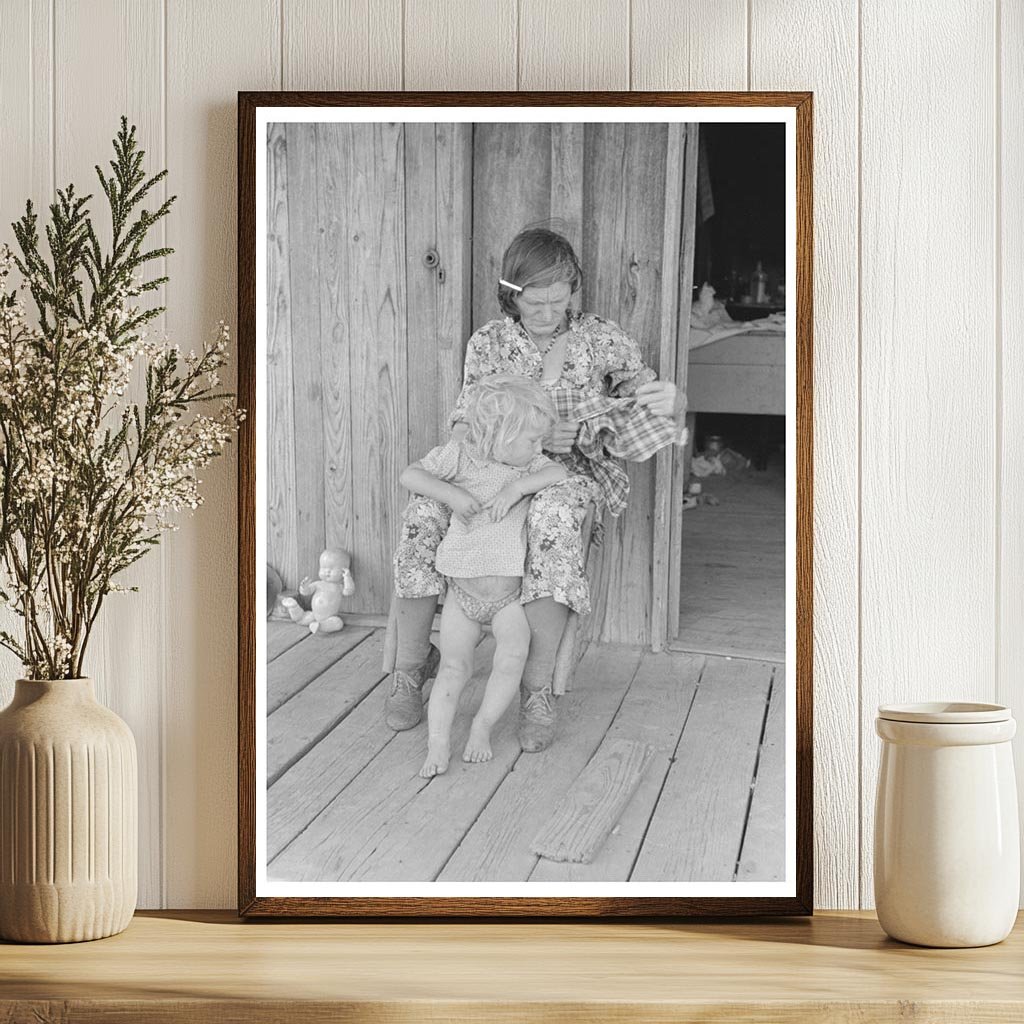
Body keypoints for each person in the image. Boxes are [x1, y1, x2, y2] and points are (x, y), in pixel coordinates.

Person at [387, 226, 683, 751]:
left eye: (558, 299)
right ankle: (412, 667)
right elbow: (464, 424)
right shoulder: (490, 343)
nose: (548, 312)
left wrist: (666, 399)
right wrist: (505, 454)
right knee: (424, 514)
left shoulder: (601, 339)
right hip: (490, 467)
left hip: (566, 472)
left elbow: (649, 406)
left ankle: (534, 690)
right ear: (511, 292)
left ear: (573, 289)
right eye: (534, 302)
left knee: (552, 521)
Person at [398, 376, 568, 778]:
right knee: (455, 667)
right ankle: (438, 741)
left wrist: (519, 489)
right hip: (463, 595)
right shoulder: (459, 457)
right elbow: (411, 475)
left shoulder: (529, 465)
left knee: (511, 658)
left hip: (508, 599)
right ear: (499, 434)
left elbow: (558, 472)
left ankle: (482, 726)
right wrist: (451, 495)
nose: (538, 448)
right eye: (530, 440)